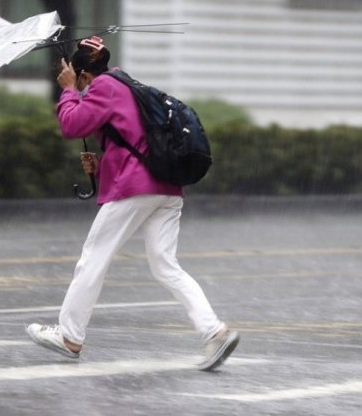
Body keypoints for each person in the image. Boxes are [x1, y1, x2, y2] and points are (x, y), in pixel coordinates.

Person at [25, 36, 239, 371]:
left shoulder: (103, 87)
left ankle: (69, 336)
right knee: (166, 265)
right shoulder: (126, 84)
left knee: (93, 259)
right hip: (166, 187)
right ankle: (215, 331)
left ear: (83, 75)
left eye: (77, 81)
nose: (77, 88)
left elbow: (71, 124)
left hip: (135, 189)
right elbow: (133, 139)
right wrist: (102, 162)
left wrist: (67, 90)